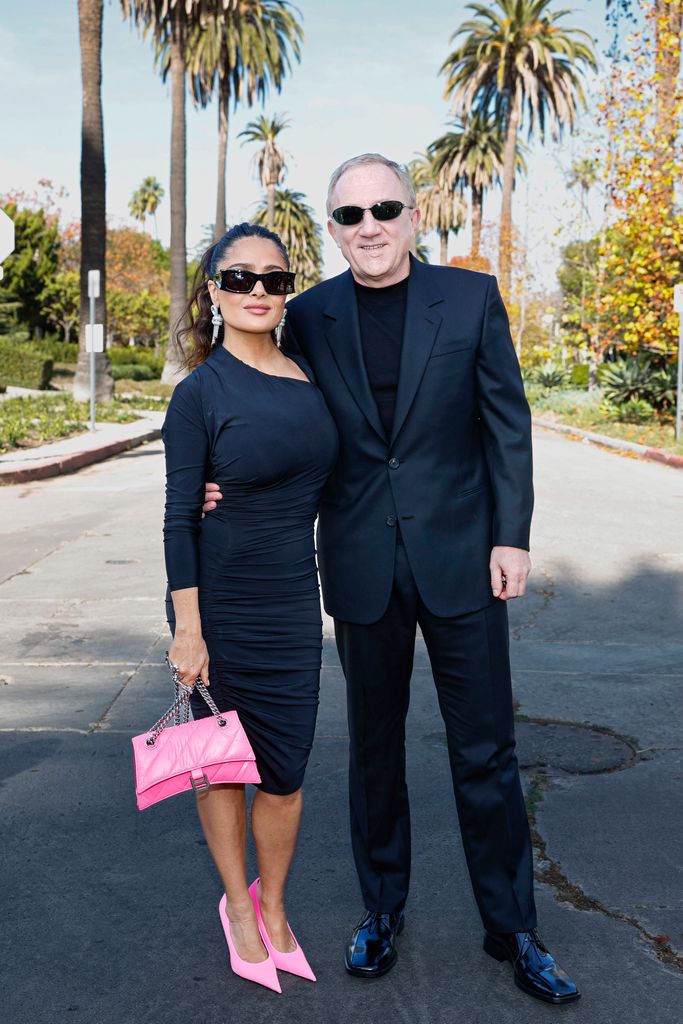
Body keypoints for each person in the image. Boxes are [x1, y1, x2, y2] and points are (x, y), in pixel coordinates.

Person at [204, 154, 579, 1006]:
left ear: (413, 216)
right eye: (348, 215)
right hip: (360, 565)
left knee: (485, 749)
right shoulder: (308, 316)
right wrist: (212, 472)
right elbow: (255, 396)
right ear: (332, 229)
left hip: (462, 561)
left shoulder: (471, 298)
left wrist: (510, 536)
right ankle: (381, 910)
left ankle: (513, 927)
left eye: (383, 209)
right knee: (372, 752)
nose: (367, 225)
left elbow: (505, 426)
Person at [162, 222, 338, 994]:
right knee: (221, 767)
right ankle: (238, 906)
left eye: (272, 278)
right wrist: (187, 629)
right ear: (212, 292)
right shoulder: (198, 393)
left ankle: (275, 904)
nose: (257, 291)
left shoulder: (310, 376)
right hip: (223, 604)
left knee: (287, 772)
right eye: (238, 279)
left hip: (295, 602)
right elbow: (176, 518)